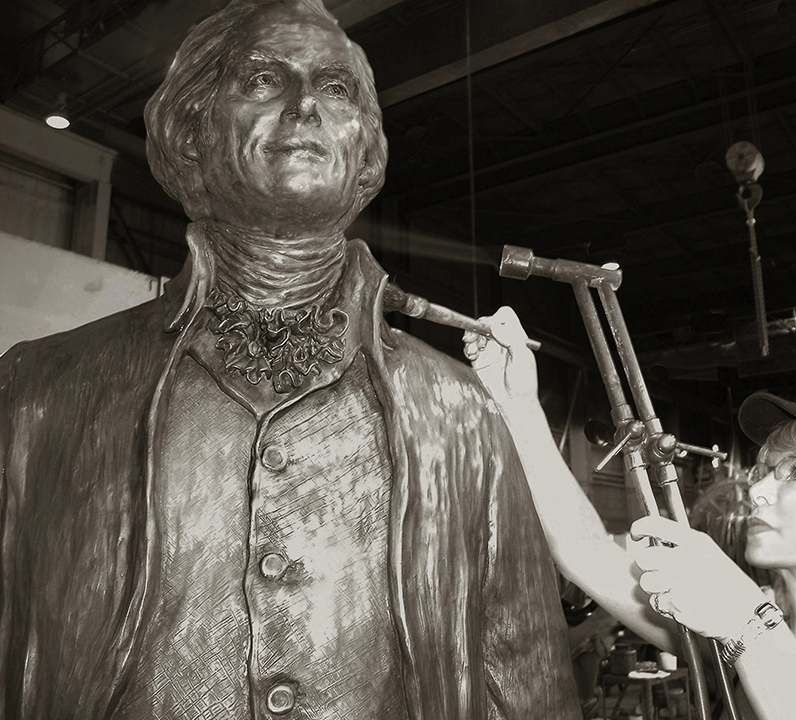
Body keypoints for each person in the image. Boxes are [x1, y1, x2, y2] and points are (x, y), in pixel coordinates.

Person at [0, 3, 580, 718]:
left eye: (336, 90)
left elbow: (528, 689)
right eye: (264, 81)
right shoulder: (38, 395)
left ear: (364, 148)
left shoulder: (460, 415)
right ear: (192, 132)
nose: (306, 106)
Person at [464, 307, 796, 720]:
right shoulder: (754, 636)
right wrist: (518, 405)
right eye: (766, 469)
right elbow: (585, 550)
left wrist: (748, 623)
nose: (760, 489)